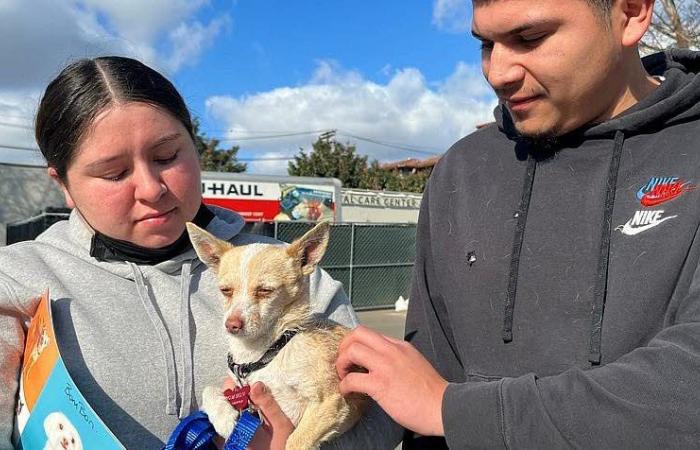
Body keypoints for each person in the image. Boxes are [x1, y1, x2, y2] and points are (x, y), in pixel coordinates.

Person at [336, 0, 700, 448]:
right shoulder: (461, 171)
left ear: (629, 13)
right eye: (487, 44)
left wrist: (452, 411)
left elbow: (686, 388)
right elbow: (423, 379)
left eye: (530, 39)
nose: (498, 72)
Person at [0, 56, 362, 449]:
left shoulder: (294, 275)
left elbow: (374, 417)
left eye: (167, 156)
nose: (151, 188)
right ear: (63, 184)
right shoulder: (17, 279)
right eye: (114, 173)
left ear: (196, 148)